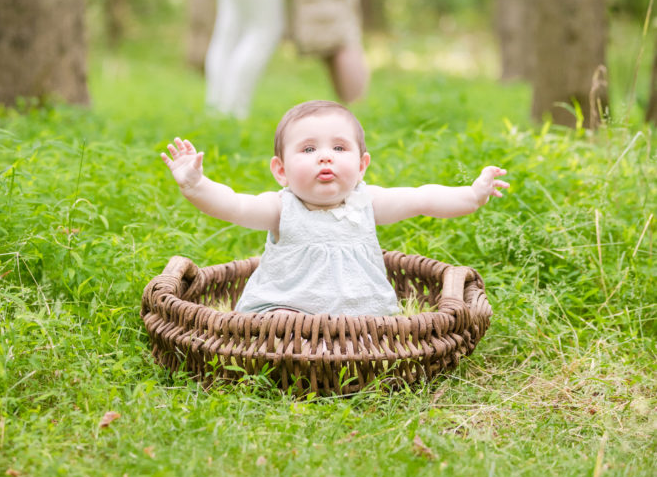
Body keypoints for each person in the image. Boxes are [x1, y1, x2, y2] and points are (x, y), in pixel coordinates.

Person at [161, 100, 509, 317]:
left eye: (339, 148)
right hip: (287, 311)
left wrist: (472, 195)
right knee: (280, 323)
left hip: (360, 318)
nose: (325, 156)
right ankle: (295, 350)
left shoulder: (368, 203)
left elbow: (423, 198)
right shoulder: (281, 208)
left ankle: (349, 348)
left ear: (361, 166)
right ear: (280, 171)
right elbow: (234, 205)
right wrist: (195, 185)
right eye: (309, 149)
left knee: (372, 332)